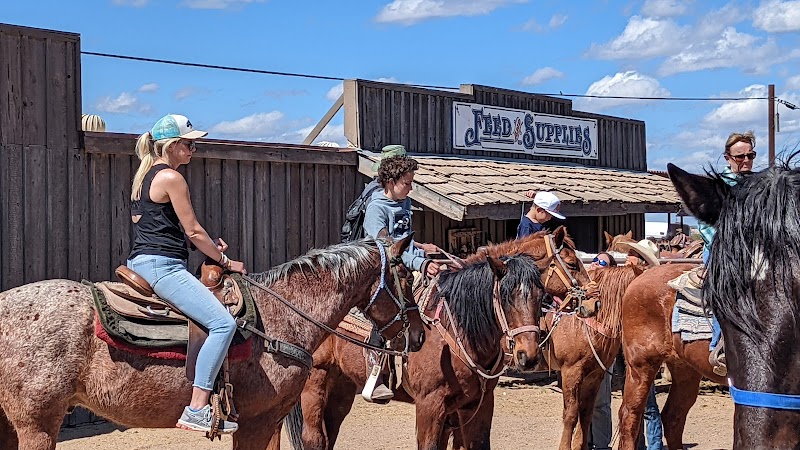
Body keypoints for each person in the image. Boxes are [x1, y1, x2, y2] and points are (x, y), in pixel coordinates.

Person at [126, 114, 246, 434]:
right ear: (172, 146)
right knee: (223, 324)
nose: (194, 150)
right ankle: (196, 408)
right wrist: (225, 260)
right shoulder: (171, 177)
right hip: (162, 267)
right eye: (190, 144)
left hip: (141, 261)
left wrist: (208, 248)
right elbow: (192, 230)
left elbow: (161, 228)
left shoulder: (144, 175)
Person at [360, 155, 444, 402]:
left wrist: (423, 253)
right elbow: (390, 248)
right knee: (385, 312)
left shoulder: (404, 202)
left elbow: (405, 241)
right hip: (384, 269)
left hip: (406, 266)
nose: (411, 188)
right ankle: (375, 375)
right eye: (407, 183)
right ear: (390, 182)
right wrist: (421, 263)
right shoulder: (376, 210)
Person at [590, 238, 664, 450]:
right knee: (634, 400)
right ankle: (639, 444)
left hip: (637, 346)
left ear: (641, 260)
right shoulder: (624, 278)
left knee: (645, 402)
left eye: (633, 254)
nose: (628, 257)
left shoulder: (645, 283)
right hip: (624, 343)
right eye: (630, 253)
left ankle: (652, 446)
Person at [698, 131, 755, 376]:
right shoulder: (716, 187)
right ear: (727, 157)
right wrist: (730, 248)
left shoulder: (759, 184)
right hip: (722, 251)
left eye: (750, 155)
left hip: (755, 251)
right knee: (727, 286)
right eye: (740, 156)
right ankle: (720, 346)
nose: (746, 160)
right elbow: (705, 225)